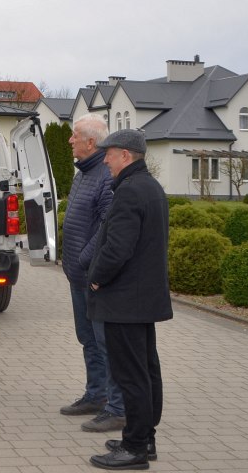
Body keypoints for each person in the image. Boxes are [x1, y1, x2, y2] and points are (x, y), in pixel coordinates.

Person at [86, 129, 172, 471]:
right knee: (146, 371)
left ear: (125, 155)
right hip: (141, 299)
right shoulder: (150, 187)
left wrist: (96, 278)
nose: (105, 160)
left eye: (109, 154)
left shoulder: (130, 191)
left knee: (131, 375)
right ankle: (144, 438)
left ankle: (134, 448)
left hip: (124, 300)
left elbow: (117, 248)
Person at [60, 113, 125, 433]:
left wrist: (85, 260)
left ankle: (116, 407)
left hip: (93, 275)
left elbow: (105, 227)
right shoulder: (83, 173)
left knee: (104, 342)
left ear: (90, 142)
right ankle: (96, 395)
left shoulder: (105, 176)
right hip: (78, 275)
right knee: (87, 338)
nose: (69, 140)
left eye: (75, 135)